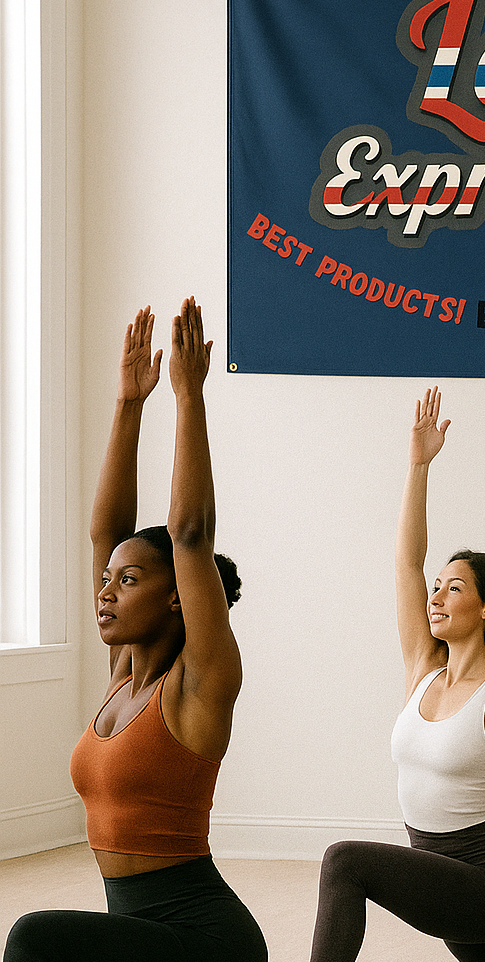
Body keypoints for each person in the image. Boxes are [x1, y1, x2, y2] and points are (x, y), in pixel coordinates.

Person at [4, 301, 266, 962]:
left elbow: (190, 533)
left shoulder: (200, 685)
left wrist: (188, 398)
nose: (105, 591)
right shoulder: (122, 675)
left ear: (178, 597)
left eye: (129, 581)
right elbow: (105, 530)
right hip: (144, 930)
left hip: (206, 938)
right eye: (106, 579)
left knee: (33, 937)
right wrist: (127, 406)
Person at [309, 387, 485, 962]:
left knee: (344, 862)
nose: (437, 596)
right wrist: (418, 465)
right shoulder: (423, 668)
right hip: (436, 869)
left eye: (456, 587)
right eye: (437, 587)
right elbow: (407, 563)